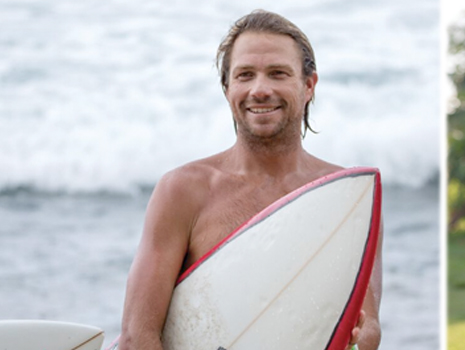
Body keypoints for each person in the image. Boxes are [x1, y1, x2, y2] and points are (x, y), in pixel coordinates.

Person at [118, 9, 382, 350]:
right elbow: (137, 336)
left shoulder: (346, 196)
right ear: (227, 88)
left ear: (308, 86)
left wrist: (361, 337)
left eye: (277, 73)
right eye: (245, 75)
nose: (260, 89)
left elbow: (370, 326)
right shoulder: (184, 192)